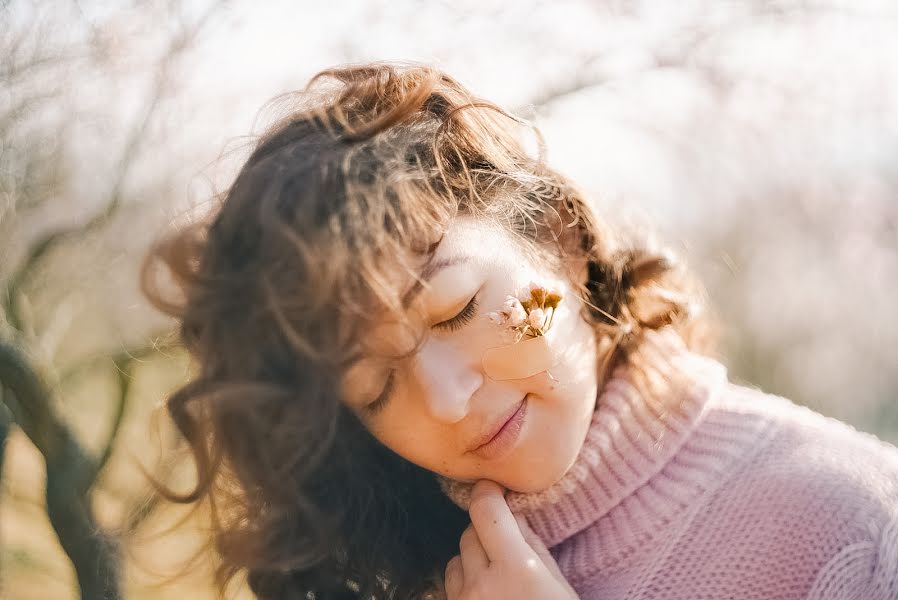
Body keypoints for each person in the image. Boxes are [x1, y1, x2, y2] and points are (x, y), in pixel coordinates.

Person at [141, 63, 898, 600]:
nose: (445, 398)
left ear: (561, 245)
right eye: (374, 390)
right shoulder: (406, 570)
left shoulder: (852, 524)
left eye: (456, 309)